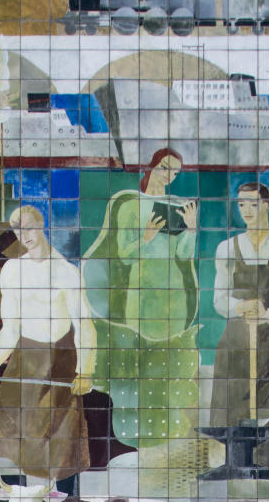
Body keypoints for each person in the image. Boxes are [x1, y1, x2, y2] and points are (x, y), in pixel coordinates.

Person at [82, 148, 200, 448]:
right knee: (138, 357)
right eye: (164, 167)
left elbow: (184, 255)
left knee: (167, 359)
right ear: (152, 166)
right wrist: (146, 236)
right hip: (142, 292)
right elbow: (123, 254)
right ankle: (129, 436)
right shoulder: (130, 205)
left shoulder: (176, 205)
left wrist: (191, 229)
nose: (169, 175)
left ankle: (167, 435)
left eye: (175, 171)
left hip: (172, 293)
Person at [0, 205, 92, 482]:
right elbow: (11, 328)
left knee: (57, 432)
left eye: (28, 227)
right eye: (17, 229)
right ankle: (12, 491)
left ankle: (60, 498)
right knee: (9, 413)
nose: (23, 234)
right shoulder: (12, 271)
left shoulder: (66, 272)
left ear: (41, 224)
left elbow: (85, 325)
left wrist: (86, 370)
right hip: (25, 359)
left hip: (59, 362)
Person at [207, 180, 269, 477]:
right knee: (234, 402)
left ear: (266, 204)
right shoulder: (228, 248)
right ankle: (234, 466)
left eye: (253, 203)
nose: (247, 210)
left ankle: (268, 469)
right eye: (241, 204)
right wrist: (239, 307)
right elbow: (218, 299)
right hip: (237, 341)